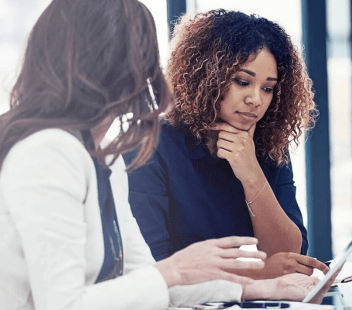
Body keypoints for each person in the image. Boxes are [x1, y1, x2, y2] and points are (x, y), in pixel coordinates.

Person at [0, 1, 320, 309]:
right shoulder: (48, 152)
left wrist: (249, 289)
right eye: (140, 57)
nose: (151, 76)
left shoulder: (102, 157)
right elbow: (66, 304)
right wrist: (175, 270)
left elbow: (140, 278)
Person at [125, 9, 327, 279]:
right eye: (242, 82)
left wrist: (252, 173)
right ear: (207, 77)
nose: (255, 99)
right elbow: (153, 266)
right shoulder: (149, 143)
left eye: (267, 88)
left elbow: (292, 254)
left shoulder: (268, 145)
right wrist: (257, 272)